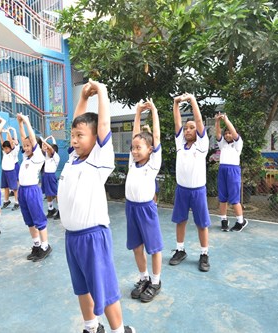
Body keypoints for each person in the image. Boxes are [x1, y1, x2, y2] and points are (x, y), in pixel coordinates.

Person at [57, 79, 136, 333]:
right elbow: (77, 122)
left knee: (105, 290)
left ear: (95, 140)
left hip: (93, 236)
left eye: (81, 136)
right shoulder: (72, 159)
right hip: (72, 238)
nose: (75, 140)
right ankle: (91, 327)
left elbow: (102, 124)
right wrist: (83, 97)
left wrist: (101, 92)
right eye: (73, 136)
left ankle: (118, 330)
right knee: (82, 287)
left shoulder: (98, 160)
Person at [125, 98, 163, 303]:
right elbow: (135, 134)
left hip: (146, 209)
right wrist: (138, 112)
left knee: (154, 247)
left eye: (139, 148)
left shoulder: (153, 163)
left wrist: (154, 110)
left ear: (150, 149)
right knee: (136, 247)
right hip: (130, 208)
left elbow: (155, 135)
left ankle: (155, 282)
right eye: (133, 148)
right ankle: (144, 278)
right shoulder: (134, 161)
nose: (135, 150)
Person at [169, 93, 211, 272]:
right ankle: (180, 250)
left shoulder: (202, 145)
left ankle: (204, 254)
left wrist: (192, 100)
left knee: (201, 223)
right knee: (180, 221)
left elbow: (199, 120)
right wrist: (176, 103)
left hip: (198, 191)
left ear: (198, 131)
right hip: (182, 190)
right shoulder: (180, 143)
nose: (187, 130)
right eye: (186, 128)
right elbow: (176, 121)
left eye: (191, 128)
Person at [16, 113, 52, 262]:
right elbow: (25, 137)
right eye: (24, 146)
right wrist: (20, 124)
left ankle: (45, 246)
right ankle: (36, 245)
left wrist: (27, 121)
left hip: (32, 191)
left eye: (28, 145)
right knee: (29, 221)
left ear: (35, 146)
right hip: (23, 191)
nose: (25, 148)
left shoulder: (38, 157)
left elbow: (30, 137)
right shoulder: (26, 157)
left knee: (38, 220)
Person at [214, 112, 249, 232]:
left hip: (233, 171)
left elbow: (233, 132)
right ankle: (224, 220)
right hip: (222, 170)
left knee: (234, 199)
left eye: (230, 133)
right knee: (222, 198)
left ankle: (241, 221)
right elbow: (218, 133)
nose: (228, 135)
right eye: (226, 133)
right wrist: (217, 121)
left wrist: (226, 120)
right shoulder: (222, 144)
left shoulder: (238, 144)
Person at [0, 128, 20, 211]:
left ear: (11, 148)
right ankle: (6, 201)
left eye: (7, 148)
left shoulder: (13, 152)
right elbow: (2, 143)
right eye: (4, 148)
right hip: (4, 171)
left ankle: (17, 202)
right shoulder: (4, 152)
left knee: (14, 188)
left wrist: (8, 132)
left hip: (11, 171)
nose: (5, 149)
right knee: (5, 187)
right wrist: (0, 134)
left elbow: (11, 143)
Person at [41, 135, 60, 219]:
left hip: (51, 176)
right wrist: (47, 139)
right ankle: (50, 209)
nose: (47, 150)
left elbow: (51, 148)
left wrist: (44, 141)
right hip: (45, 176)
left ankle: (60, 211)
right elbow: (43, 147)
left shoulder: (56, 157)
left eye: (48, 149)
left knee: (55, 193)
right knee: (48, 193)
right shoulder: (47, 156)